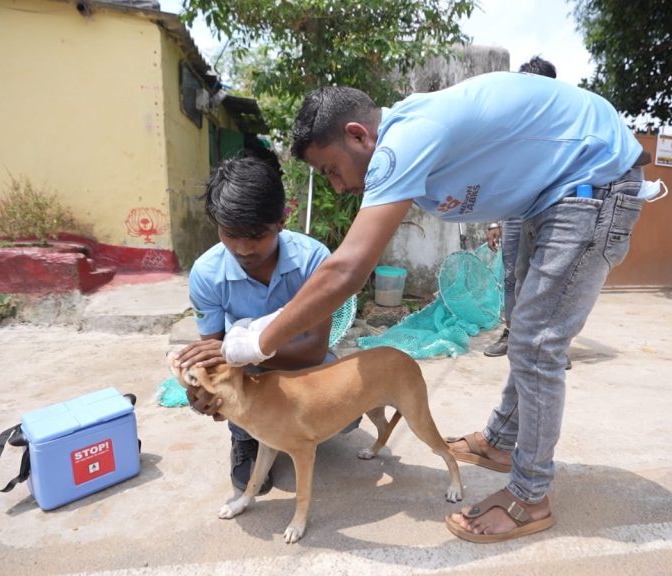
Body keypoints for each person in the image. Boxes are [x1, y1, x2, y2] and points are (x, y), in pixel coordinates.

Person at [219, 71, 649, 543]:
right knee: (522, 332)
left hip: (591, 183)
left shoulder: (403, 142)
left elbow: (348, 271)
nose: (337, 187)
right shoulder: (408, 141)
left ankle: (530, 497)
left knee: (537, 345)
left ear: (358, 136)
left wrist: (260, 340)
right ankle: (501, 441)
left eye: (331, 170)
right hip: (542, 200)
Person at [173, 156, 352, 495]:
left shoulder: (313, 260)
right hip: (246, 367)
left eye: (256, 235)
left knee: (348, 411)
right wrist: (205, 391)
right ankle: (244, 438)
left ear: (281, 221)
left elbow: (313, 350)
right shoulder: (207, 274)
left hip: (301, 361)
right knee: (224, 389)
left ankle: (299, 426)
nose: (243, 248)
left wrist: (240, 352)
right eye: (230, 234)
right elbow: (215, 356)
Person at [484, 55, 557, 358]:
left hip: (551, 209)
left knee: (550, 275)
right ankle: (512, 333)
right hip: (515, 211)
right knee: (512, 274)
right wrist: (492, 221)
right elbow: (499, 173)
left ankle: (548, 343)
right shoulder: (512, 124)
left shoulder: (561, 122)